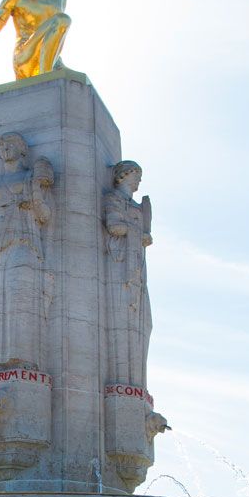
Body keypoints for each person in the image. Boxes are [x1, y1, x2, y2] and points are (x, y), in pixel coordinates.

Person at [0, 133, 53, 370]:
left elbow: (45, 215)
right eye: (1, 146)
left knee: (21, 296)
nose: (5, 149)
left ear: (22, 149)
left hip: (25, 243)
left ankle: (24, 359)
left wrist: (36, 194)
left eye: (10, 145)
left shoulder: (31, 178)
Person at [103, 160, 152, 388]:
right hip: (120, 266)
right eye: (135, 175)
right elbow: (114, 227)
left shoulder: (134, 205)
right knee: (121, 316)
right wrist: (137, 231)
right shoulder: (114, 199)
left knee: (144, 323)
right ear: (123, 176)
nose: (138, 180)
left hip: (136, 269)